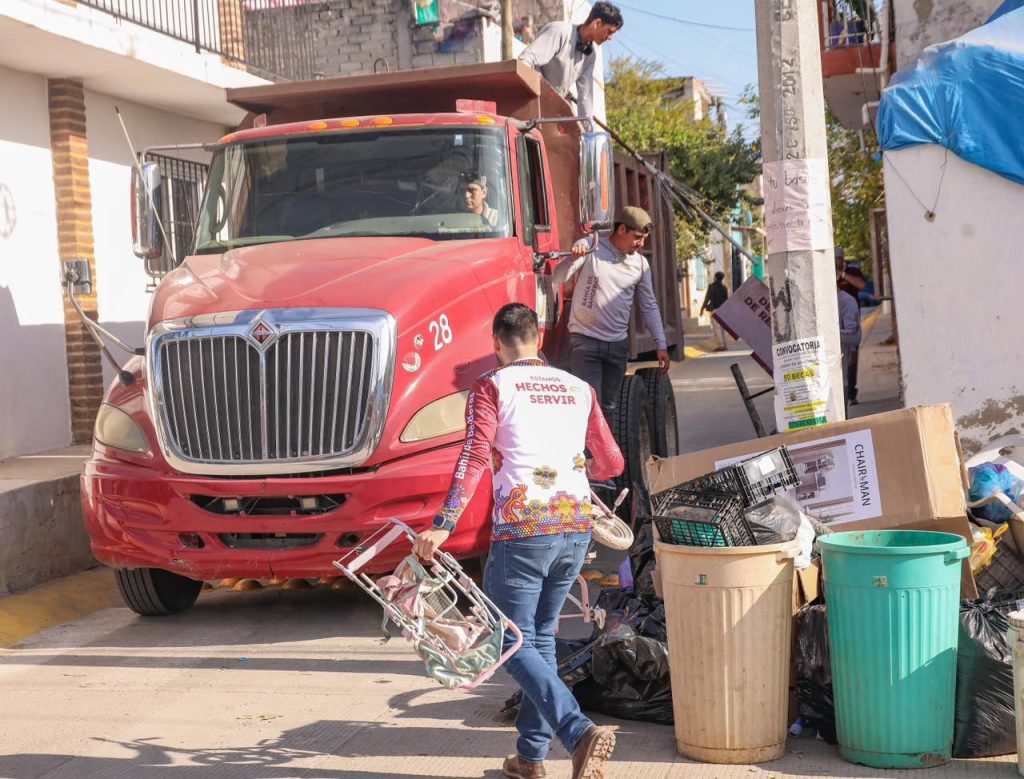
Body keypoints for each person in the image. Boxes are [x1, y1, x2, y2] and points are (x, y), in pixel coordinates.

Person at [413, 303, 623, 779]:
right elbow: (611, 462)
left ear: (496, 344)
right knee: (540, 638)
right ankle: (530, 758)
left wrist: (444, 523)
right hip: (575, 527)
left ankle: (577, 731)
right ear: (539, 338)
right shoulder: (578, 388)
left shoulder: (491, 386)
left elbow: (473, 457)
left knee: (507, 638)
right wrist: (570, 470)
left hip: (523, 529)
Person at [552, 206, 671, 415]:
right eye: (637, 237)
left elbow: (649, 305)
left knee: (610, 408)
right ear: (622, 229)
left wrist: (661, 344)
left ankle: (610, 439)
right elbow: (558, 278)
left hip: (617, 347)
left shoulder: (641, 264)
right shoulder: (591, 246)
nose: (641, 244)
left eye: (644, 239)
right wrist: (572, 258)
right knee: (589, 407)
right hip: (586, 342)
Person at [518, 2, 622, 122]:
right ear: (597, 23)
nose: (610, 38)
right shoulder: (559, 32)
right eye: (609, 31)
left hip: (550, 110)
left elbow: (585, 97)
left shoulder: (590, 55)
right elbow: (525, 60)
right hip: (530, 104)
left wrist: (588, 130)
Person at [835, 248, 866, 404]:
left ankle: (851, 393)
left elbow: (861, 285)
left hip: (850, 316)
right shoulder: (826, 270)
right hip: (836, 316)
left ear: (842, 259)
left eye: (838, 259)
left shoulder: (852, 270)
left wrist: (842, 275)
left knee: (851, 357)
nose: (835, 262)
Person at [700, 271, 730, 352]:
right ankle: (724, 344)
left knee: (717, 328)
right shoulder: (724, 288)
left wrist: (702, 308)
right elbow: (726, 300)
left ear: (716, 277)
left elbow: (707, 298)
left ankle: (721, 345)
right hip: (723, 310)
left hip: (715, 309)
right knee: (722, 327)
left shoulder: (711, 286)